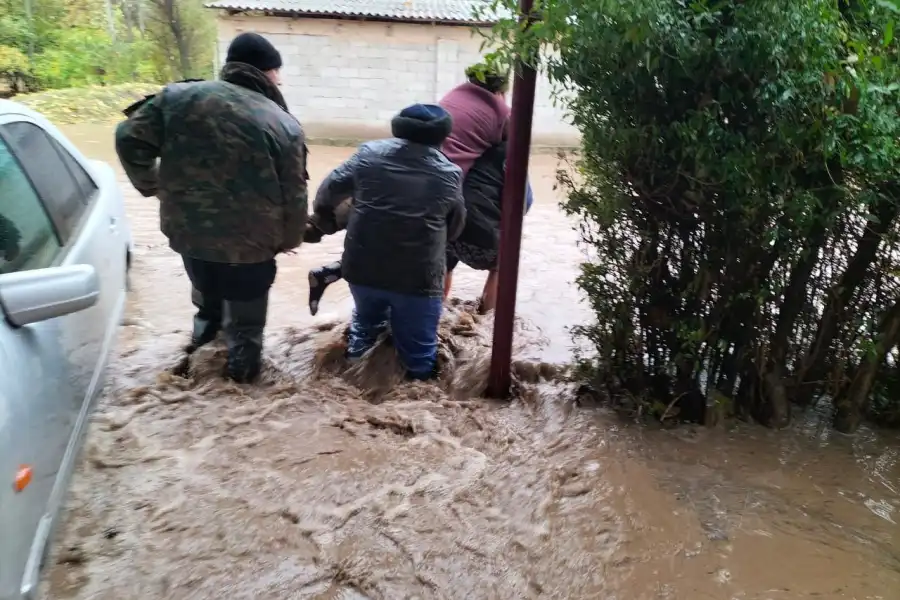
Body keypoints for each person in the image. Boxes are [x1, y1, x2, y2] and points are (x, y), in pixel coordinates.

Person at [115, 32, 309, 383]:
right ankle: (239, 389)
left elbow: (128, 138)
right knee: (246, 326)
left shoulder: (176, 98)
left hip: (191, 236)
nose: (280, 80)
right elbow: (294, 195)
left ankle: (194, 371)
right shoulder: (282, 123)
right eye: (278, 72)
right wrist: (289, 241)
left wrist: (155, 185)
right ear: (267, 72)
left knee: (207, 306)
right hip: (252, 248)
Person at [304, 61, 518, 314]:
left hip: (399, 175)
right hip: (440, 184)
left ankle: (319, 229)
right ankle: (479, 320)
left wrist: (323, 210)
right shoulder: (503, 113)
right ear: (502, 88)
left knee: (376, 215)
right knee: (485, 261)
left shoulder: (452, 96)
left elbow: (334, 185)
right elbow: (510, 152)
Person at [311, 104, 465, 380]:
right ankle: (416, 404)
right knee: (419, 355)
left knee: (365, 330)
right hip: (417, 276)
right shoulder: (449, 173)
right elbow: (456, 225)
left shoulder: (368, 154)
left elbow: (329, 190)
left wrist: (324, 220)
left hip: (362, 267)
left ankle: (352, 385)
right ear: (443, 137)